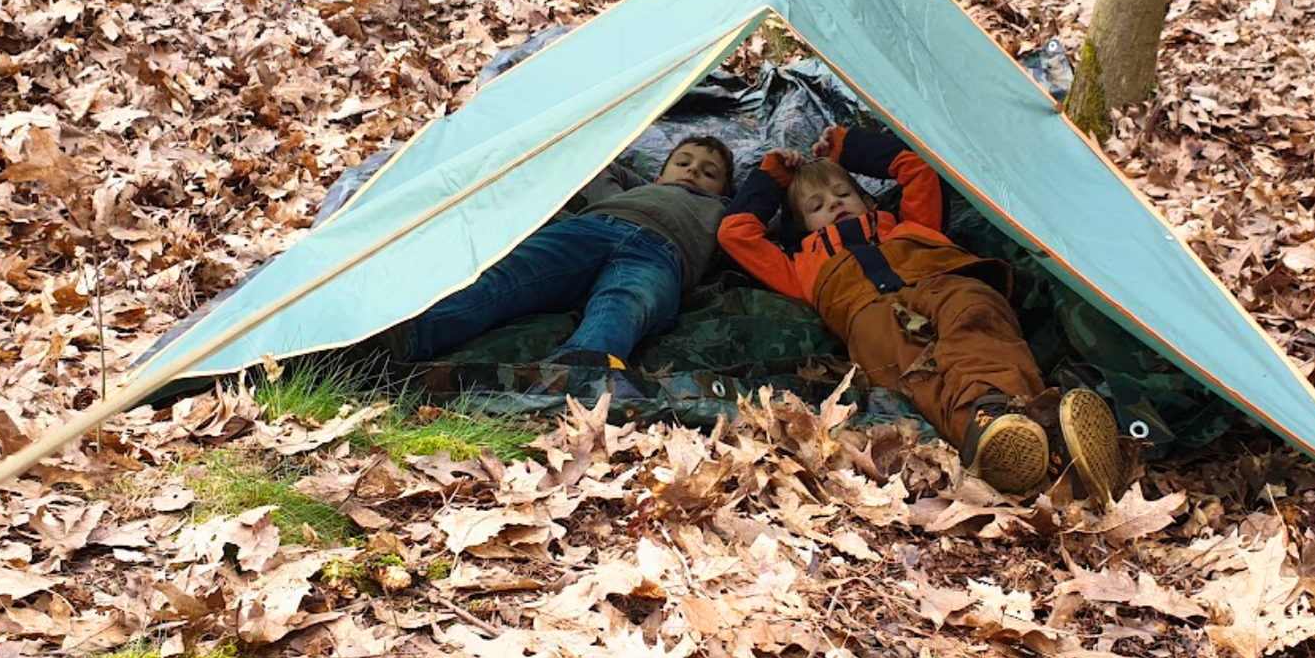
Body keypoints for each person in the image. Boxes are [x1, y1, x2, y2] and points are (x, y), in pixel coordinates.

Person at [719, 125, 1126, 502]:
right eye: (817, 205)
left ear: (868, 200)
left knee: (976, 327)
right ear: (802, 228)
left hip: (940, 281)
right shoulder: (800, 264)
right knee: (918, 376)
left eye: (843, 194)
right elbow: (735, 232)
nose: (835, 205)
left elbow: (916, 168)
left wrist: (848, 146)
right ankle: (1047, 448)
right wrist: (772, 176)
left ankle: (1007, 423)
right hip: (867, 314)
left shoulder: (910, 223)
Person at [385, 136, 734, 389]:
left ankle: (579, 370)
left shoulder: (725, 211)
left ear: (724, 191)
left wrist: (773, 177)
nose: (692, 172)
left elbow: (766, 222)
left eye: (709, 172)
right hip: (591, 229)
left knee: (625, 303)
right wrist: (628, 191)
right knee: (509, 278)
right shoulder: (635, 190)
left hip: (659, 254)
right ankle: (409, 334)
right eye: (683, 162)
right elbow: (604, 168)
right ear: (659, 174)